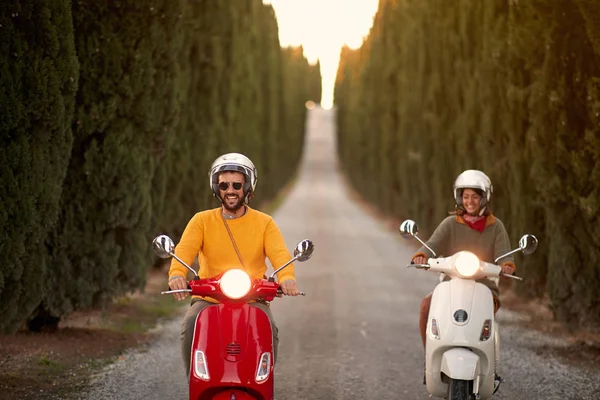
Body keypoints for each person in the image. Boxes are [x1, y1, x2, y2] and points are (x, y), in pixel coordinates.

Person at [167, 152, 300, 378]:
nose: (230, 190)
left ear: (247, 187)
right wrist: (177, 274)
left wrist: (287, 279)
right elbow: (183, 251)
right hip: (209, 298)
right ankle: (195, 382)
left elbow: (280, 254)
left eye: (237, 184)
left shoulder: (264, 222)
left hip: (252, 298)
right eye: (224, 185)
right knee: (190, 323)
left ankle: (263, 381)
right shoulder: (202, 220)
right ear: (216, 188)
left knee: (268, 328)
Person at [411, 169, 516, 349]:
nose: (469, 201)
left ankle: (488, 363)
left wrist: (507, 266)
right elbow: (432, 244)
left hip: (485, 288)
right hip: (451, 286)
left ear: (484, 198)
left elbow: (504, 254)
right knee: (426, 306)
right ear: (459, 198)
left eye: (475, 197)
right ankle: (430, 354)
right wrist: (422, 256)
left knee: (482, 320)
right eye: (466, 196)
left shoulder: (495, 226)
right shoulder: (451, 223)